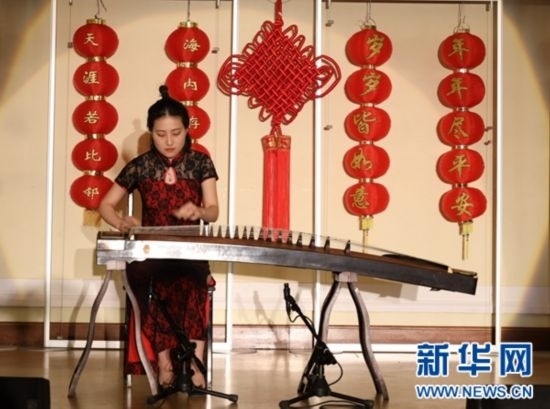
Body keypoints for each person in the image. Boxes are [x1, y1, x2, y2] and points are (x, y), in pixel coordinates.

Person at [98, 85, 219, 389]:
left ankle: (195, 364)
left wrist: (199, 211)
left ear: (187, 130)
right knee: (152, 284)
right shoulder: (140, 166)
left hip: (190, 250)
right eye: (161, 134)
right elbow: (105, 205)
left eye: (176, 133)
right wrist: (121, 222)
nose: (169, 141)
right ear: (151, 132)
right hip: (150, 251)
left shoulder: (200, 162)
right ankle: (164, 362)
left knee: (192, 283)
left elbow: (214, 211)